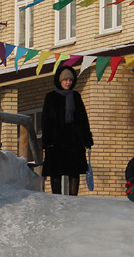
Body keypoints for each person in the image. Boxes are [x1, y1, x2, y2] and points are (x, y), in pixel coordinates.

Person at [41, 65, 93, 196]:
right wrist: (47, 141)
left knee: (74, 171)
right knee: (55, 172)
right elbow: (45, 120)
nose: (68, 83)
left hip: (74, 141)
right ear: (60, 81)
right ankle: (56, 199)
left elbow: (83, 119)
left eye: (70, 80)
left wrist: (87, 139)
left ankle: (73, 199)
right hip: (56, 142)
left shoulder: (76, 96)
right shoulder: (50, 97)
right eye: (65, 80)